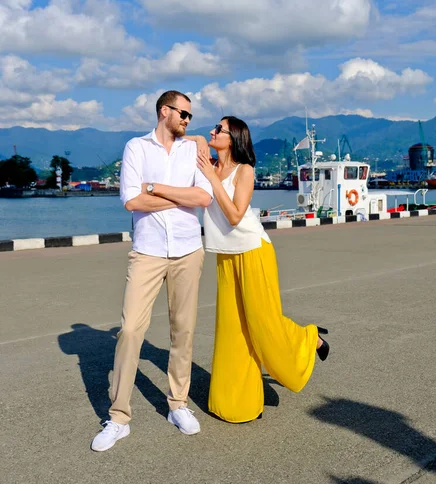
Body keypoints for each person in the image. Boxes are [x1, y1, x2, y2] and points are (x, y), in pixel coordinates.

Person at [91, 90, 213, 451]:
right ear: (165, 111)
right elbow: (131, 199)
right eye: (184, 114)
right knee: (130, 330)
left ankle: (178, 404)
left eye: (191, 117)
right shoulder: (136, 148)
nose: (189, 121)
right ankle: (118, 417)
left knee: (184, 329)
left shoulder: (195, 150)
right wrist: (180, 195)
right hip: (147, 251)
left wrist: (156, 188)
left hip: (189, 249)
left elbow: (203, 197)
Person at [195, 116, 329, 424]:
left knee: (262, 322)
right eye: (214, 127)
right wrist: (200, 145)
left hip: (254, 251)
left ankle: (309, 339)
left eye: (219, 129)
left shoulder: (245, 171)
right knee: (232, 329)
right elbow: (184, 139)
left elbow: (234, 216)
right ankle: (235, 403)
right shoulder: (208, 162)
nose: (212, 131)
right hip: (226, 256)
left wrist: (212, 178)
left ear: (234, 138)